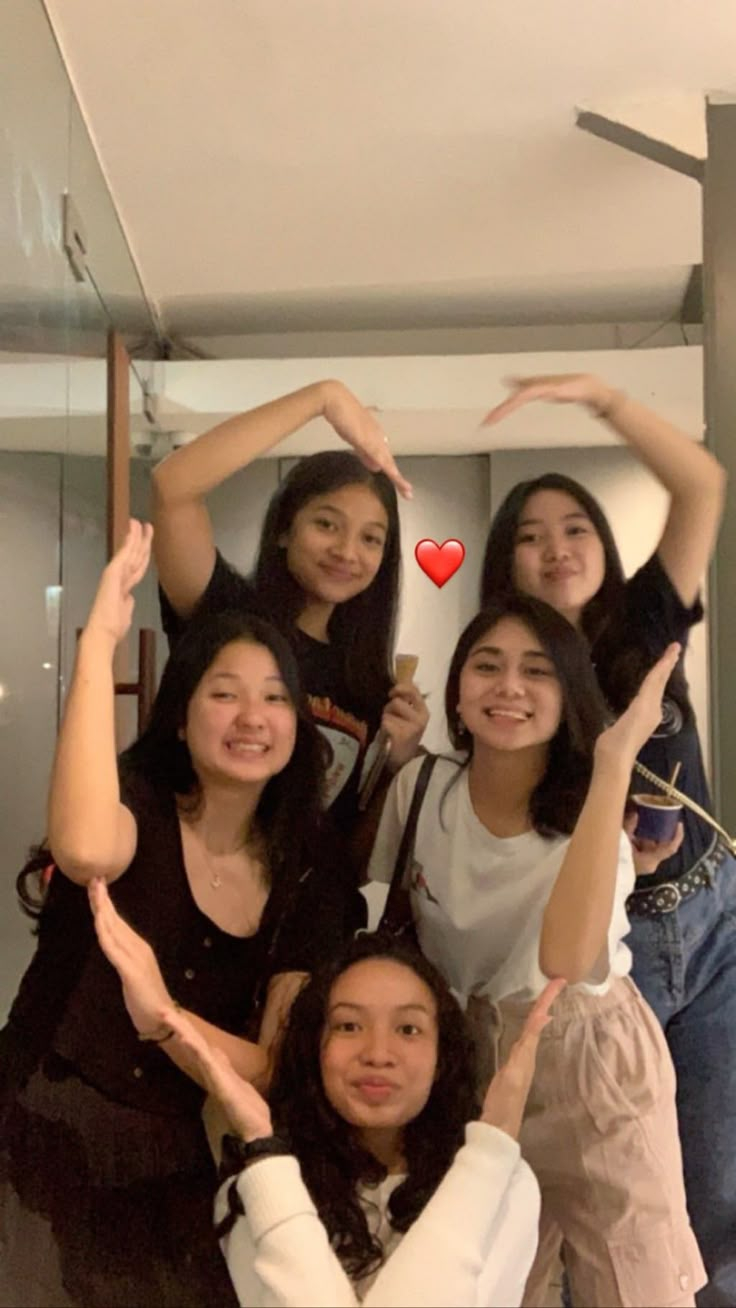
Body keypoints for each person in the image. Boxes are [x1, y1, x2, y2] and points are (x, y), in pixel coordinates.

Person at [0, 521, 355, 1308]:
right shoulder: (137, 807)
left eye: (274, 699)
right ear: (183, 712)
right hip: (37, 1121)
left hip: (175, 1157)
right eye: (223, 694)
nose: (251, 717)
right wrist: (97, 648)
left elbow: (271, 1062)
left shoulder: (310, 875)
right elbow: (88, 849)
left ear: (300, 725)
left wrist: (164, 1016)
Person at [368, 597, 705, 1307]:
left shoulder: (595, 813)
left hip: (588, 1060)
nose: (509, 687)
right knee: (493, 1287)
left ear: (567, 696)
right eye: (486, 666)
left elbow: (569, 961)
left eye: (536, 671)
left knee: (634, 1288)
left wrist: (615, 761)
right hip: (471, 1062)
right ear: (457, 691)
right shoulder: (420, 789)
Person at [479, 373, 733, 1307]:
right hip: (606, 966)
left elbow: (702, 484)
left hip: (713, 931)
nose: (555, 550)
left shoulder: (645, 623)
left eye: (574, 527)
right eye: (530, 537)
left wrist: (603, 397)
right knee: (620, 1204)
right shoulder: (509, 684)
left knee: (718, 1192)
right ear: (504, 568)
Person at [129, 932, 562, 1308]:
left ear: (442, 1056)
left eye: (408, 1029)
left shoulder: (503, 1184)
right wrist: (263, 1147)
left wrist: (486, 1159)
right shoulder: (259, 1186)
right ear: (314, 1048)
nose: (377, 1053)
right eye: (349, 1026)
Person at [152, 380, 428, 846]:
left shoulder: (368, 684)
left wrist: (397, 761)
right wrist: (323, 399)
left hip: (304, 909)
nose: (347, 551)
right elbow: (171, 486)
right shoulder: (225, 615)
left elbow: (352, 851)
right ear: (284, 529)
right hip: (193, 886)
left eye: (370, 538)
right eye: (326, 524)